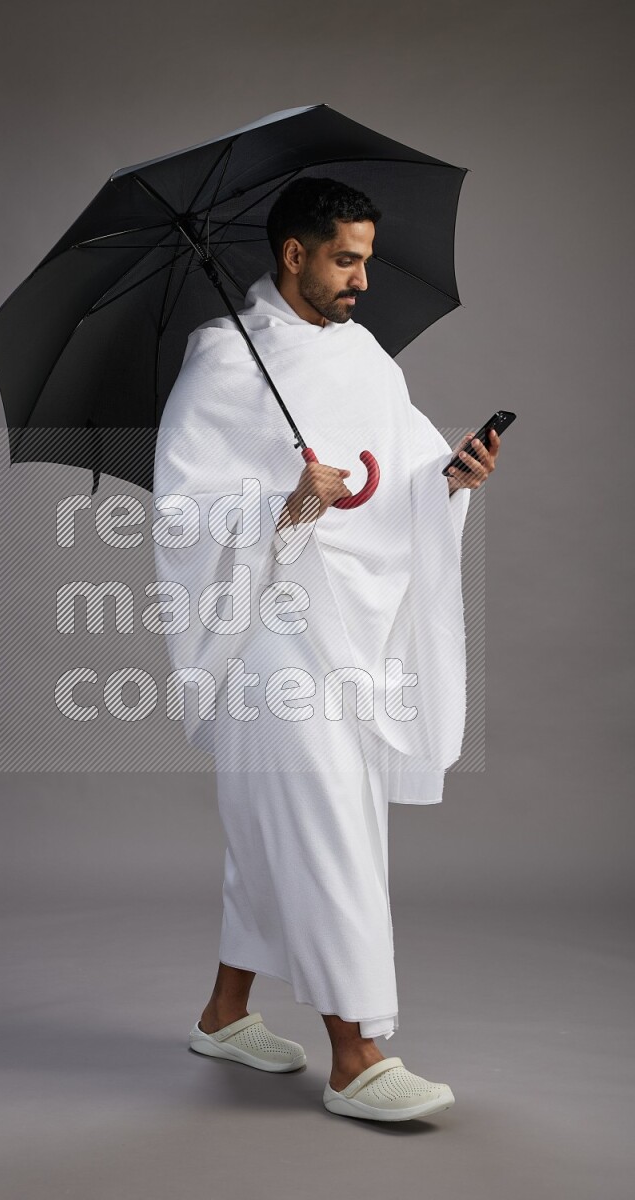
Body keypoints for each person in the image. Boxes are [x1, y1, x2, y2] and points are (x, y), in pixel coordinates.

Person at [152, 177, 500, 1122]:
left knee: (293, 827)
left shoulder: (367, 361)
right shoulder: (224, 359)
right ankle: (357, 1055)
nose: (360, 280)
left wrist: (454, 477)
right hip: (265, 631)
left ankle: (225, 1015)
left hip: (348, 627)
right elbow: (181, 515)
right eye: (345, 259)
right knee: (328, 823)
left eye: (367, 261)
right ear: (294, 254)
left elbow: (407, 475)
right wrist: (287, 504)